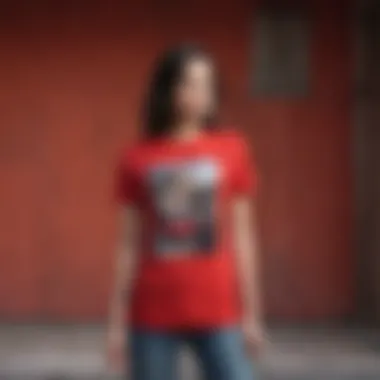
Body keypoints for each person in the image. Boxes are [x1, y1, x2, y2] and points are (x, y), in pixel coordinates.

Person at [107, 44, 264, 380]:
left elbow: (244, 238)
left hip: (219, 309)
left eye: (207, 84)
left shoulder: (232, 149)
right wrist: (116, 325)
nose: (202, 93)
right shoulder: (137, 157)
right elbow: (127, 246)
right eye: (191, 83)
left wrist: (251, 314)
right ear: (169, 90)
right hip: (153, 313)